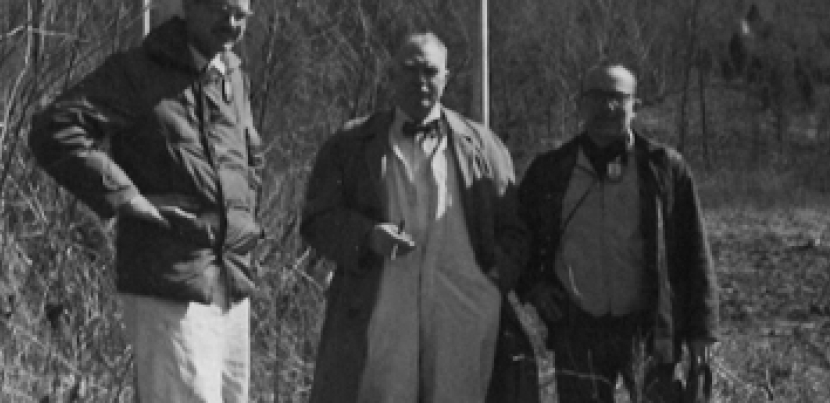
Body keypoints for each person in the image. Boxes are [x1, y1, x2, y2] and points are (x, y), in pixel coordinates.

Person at [29, 0, 264, 403]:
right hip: (169, 279)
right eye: (222, 11)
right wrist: (129, 198)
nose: (232, 25)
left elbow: (248, 158)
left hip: (231, 280)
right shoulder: (138, 73)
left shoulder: (230, 74)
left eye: (242, 15)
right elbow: (55, 128)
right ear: (189, 5)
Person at [300, 32, 530, 403]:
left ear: (446, 77)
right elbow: (317, 219)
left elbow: (514, 227)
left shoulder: (484, 146)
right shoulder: (351, 143)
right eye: (408, 70)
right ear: (391, 75)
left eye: (429, 71)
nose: (419, 81)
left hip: (462, 314)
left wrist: (495, 276)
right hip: (381, 308)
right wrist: (367, 236)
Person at [517, 64, 719, 403]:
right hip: (578, 330)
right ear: (580, 104)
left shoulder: (665, 169)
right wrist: (535, 287)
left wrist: (703, 331)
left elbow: (694, 252)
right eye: (597, 97)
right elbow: (518, 237)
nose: (607, 107)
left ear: (635, 105)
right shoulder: (550, 171)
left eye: (617, 97)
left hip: (647, 327)